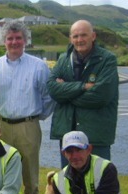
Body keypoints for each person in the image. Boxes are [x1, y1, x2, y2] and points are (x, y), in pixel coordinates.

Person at [0, 21, 54, 194]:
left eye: (18, 38)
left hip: (28, 125)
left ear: (25, 40)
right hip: (1, 126)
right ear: (4, 41)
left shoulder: (38, 66)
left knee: (30, 176)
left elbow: (48, 97)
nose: (14, 42)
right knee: (0, 173)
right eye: (10, 38)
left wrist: (35, 118)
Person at [47, 20, 119, 167]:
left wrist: (66, 94)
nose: (79, 40)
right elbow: (52, 89)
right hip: (68, 135)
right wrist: (83, 87)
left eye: (84, 35)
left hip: (96, 135)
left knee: (98, 181)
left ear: (93, 36)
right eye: (76, 36)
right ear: (70, 39)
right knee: (70, 183)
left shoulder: (107, 59)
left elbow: (101, 96)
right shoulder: (63, 59)